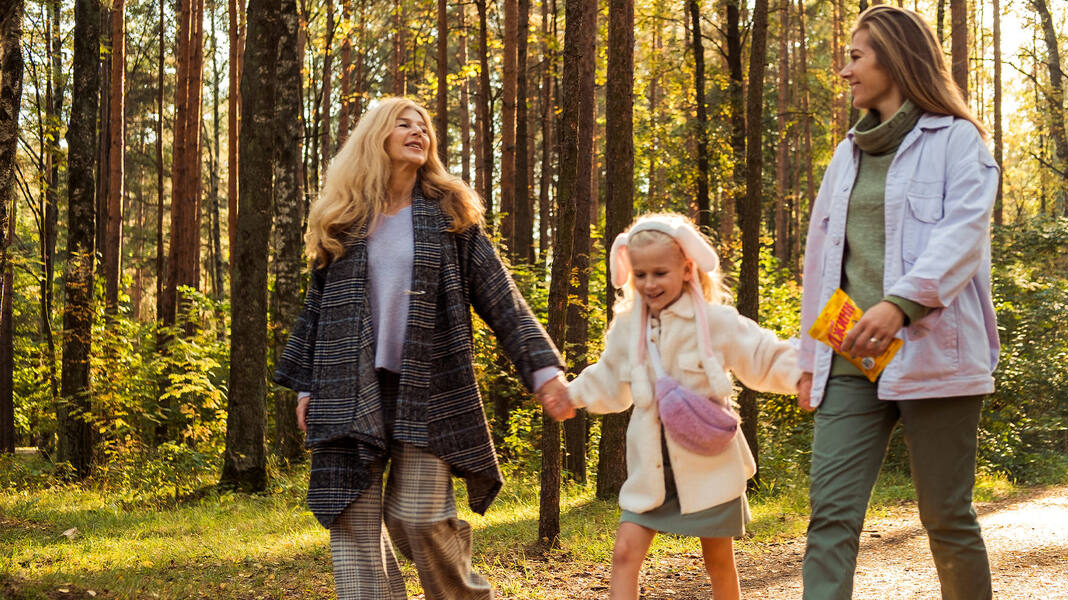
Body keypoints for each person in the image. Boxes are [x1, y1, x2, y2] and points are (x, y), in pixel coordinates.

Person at [273, 96, 576, 600]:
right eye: (403, 124)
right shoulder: (344, 219)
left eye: (424, 126)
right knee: (352, 526)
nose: (418, 132)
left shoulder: (450, 215)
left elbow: (500, 296)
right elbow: (317, 312)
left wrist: (544, 373)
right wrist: (307, 386)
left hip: (426, 388)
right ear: (377, 137)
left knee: (419, 516)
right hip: (347, 387)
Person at [795, 5, 1000, 600]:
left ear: (894, 58)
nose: (845, 71)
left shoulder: (959, 141)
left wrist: (901, 305)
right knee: (830, 518)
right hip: (848, 355)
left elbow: (963, 235)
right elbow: (821, 264)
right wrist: (810, 359)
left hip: (934, 354)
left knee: (946, 518)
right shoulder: (846, 154)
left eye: (855, 56)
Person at [566, 213, 808, 600]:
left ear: (686, 267)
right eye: (640, 274)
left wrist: (803, 375)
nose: (648, 283)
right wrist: (571, 395)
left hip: (709, 466)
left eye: (660, 272)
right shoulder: (629, 327)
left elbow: (762, 354)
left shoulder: (714, 321)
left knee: (718, 561)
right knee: (625, 552)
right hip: (652, 472)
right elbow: (609, 377)